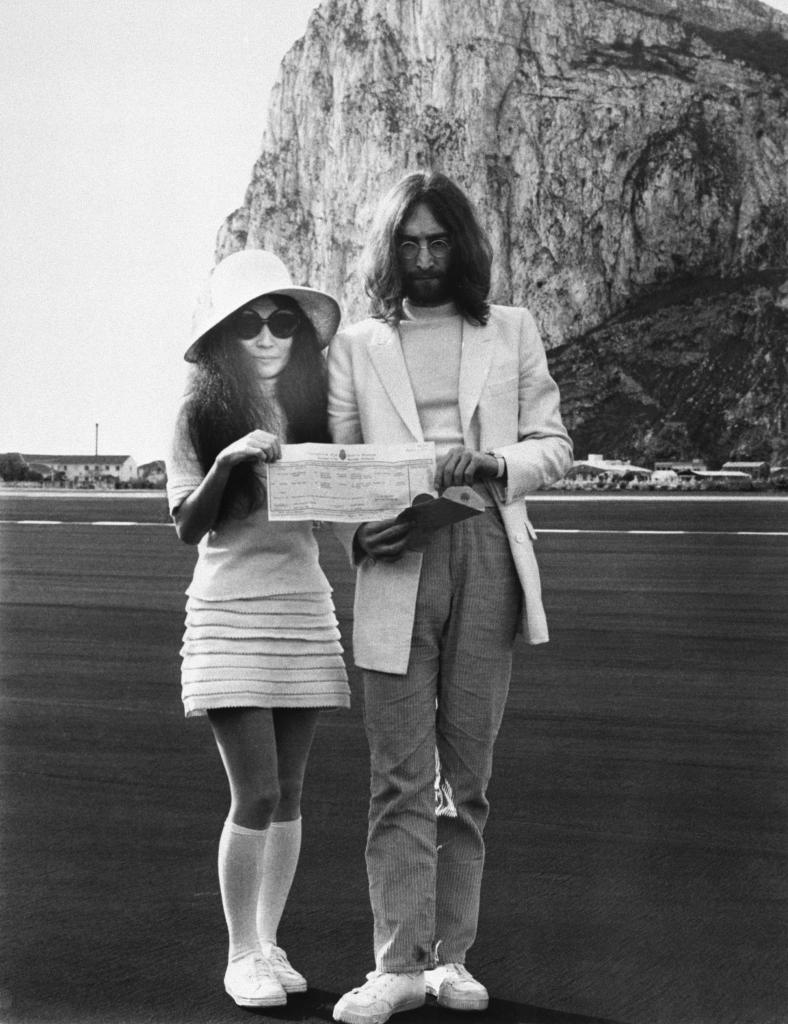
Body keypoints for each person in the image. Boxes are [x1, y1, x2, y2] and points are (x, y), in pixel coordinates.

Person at [328, 172, 573, 1024]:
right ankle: (395, 964)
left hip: (488, 550)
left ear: (461, 245)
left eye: (439, 242)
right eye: (409, 243)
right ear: (389, 249)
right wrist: (360, 536)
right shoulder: (357, 344)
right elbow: (336, 464)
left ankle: (451, 958)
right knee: (397, 774)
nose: (425, 258)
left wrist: (499, 463)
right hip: (395, 558)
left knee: (465, 778)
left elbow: (554, 442)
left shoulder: (510, 329)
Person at [166, 249, 350, 1009]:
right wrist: (229, 463)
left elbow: (346, 504)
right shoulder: (198, 414)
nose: (270, 335)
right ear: (224, 338)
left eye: (282, 320)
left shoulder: (316, 410)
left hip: (303, 606)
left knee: (293, 791)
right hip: (230, 612)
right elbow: (186, 525)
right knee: (257, 790)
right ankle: (240, 952)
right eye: (250, 323)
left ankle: (269, 941)